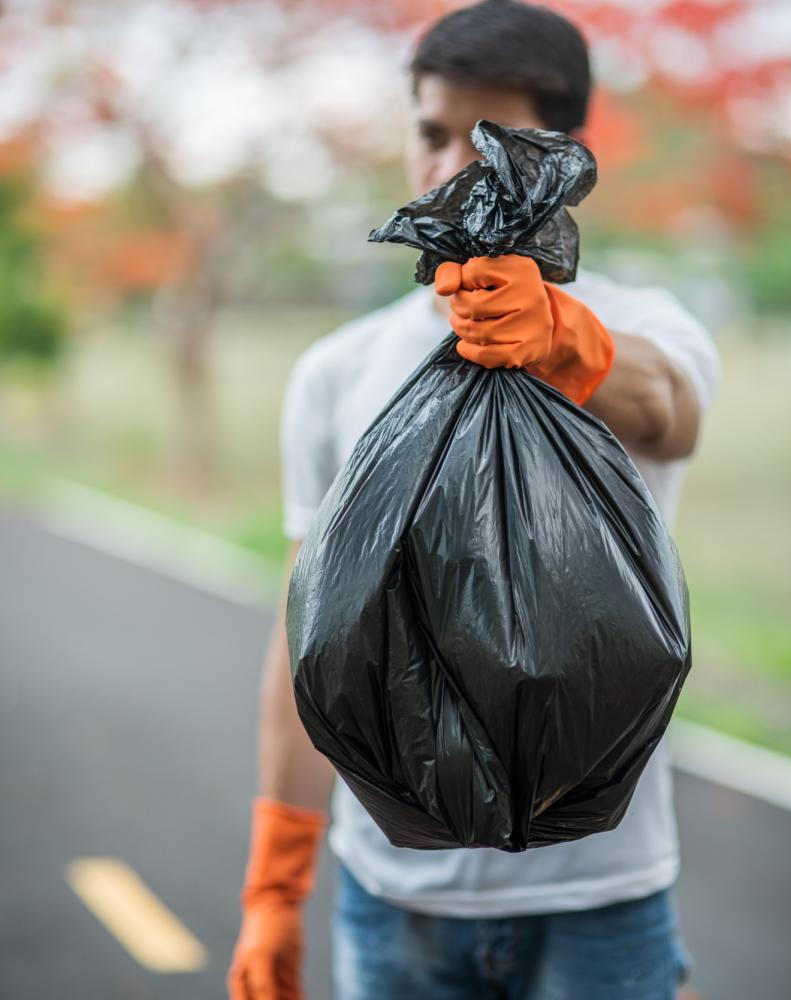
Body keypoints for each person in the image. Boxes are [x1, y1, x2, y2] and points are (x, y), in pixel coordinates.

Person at [227, 3, 721, 998]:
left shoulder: (637, 323)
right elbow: (309, 635)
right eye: (430, 129)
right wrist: (275, 885)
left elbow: (665, 406)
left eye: (488, 135)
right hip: (394, 897)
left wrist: (560, 336)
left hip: (601, 902)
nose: (451, 159)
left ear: (561, 146)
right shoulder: (338, 372)